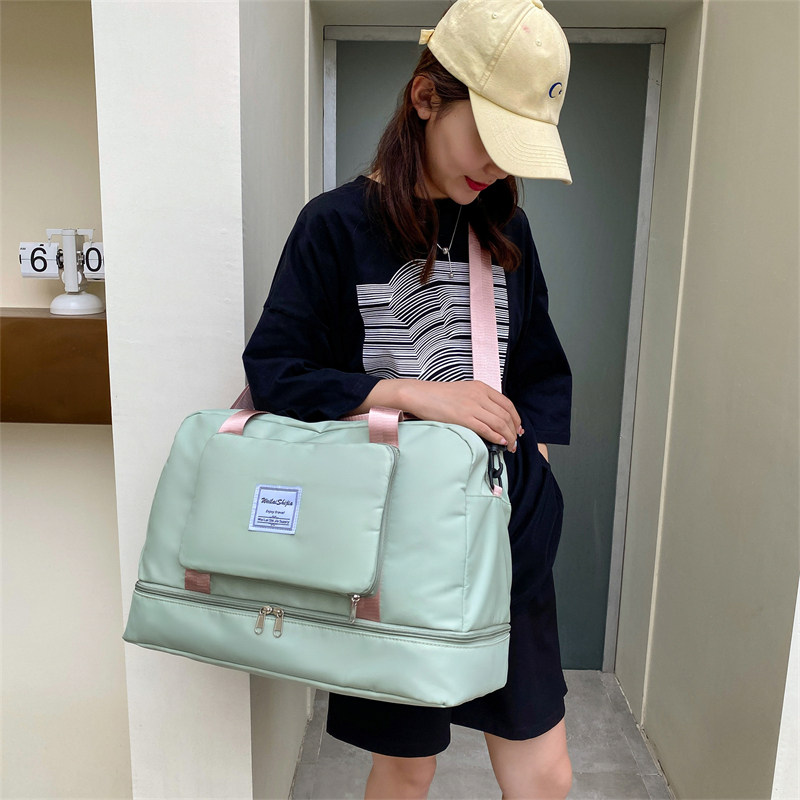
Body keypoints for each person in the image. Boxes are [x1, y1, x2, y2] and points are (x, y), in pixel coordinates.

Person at [242, 0, 575, 796]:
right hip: (387, 547)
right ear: (427, 98)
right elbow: (276, 372)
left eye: (515, 148)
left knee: (545, 775)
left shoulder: (507, 232)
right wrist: (414, 395)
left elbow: (538, 368)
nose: (497, 166)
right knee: (405, 768)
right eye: (488, 136)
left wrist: (528, 465)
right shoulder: (333, 227)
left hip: (502, 535)